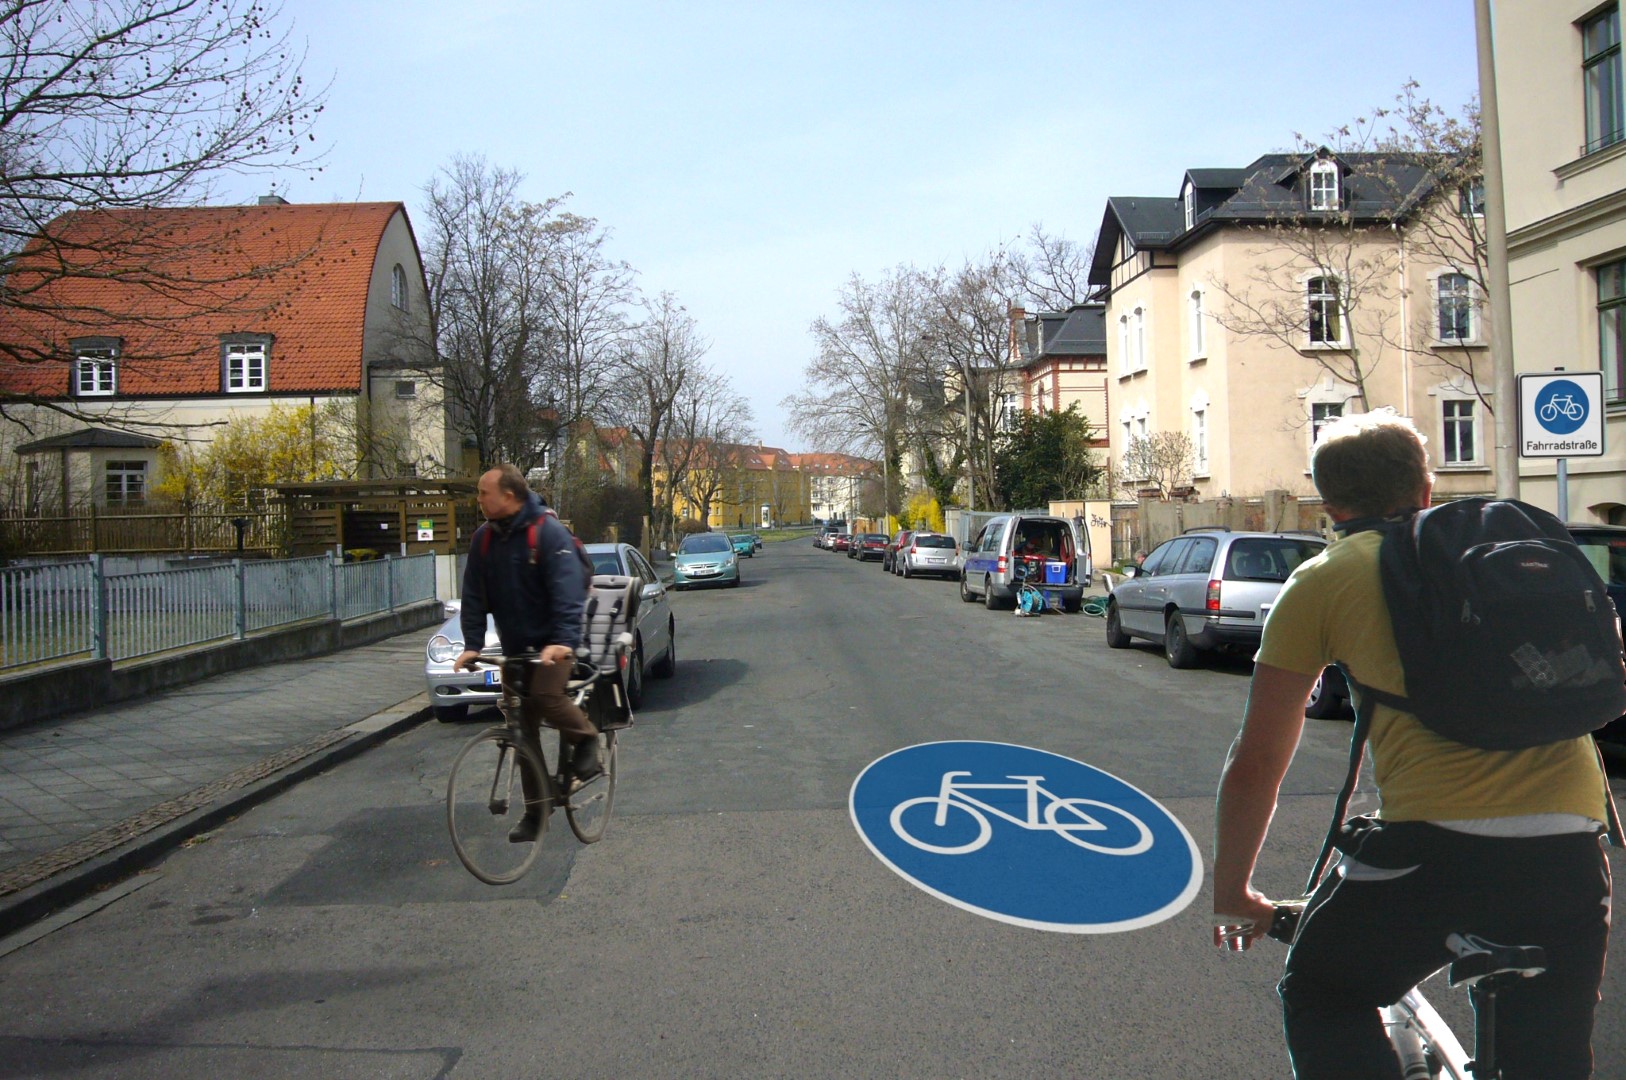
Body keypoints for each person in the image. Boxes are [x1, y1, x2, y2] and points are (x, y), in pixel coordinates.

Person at [1211, 411, 1613, 1079]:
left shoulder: (1323, 580)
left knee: (1324, 992)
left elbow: (1256, 762)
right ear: (1427, 489)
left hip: (1433, 855)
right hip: (1570, 848)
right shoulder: (1503, 557)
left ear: (1329, 502)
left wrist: (1235, 892)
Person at [453, 464, 599, 843]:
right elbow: (472, 596)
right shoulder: (484, 539)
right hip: (517, 646)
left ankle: (585, 738)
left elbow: (568, 590)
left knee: (547, 696)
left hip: (555, 644)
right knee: (521, 730)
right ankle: (538, 811)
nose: (479, 499)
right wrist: (471, 645)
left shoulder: (547, 532)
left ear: (510, 495)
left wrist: (564, 639)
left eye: (485, 492)